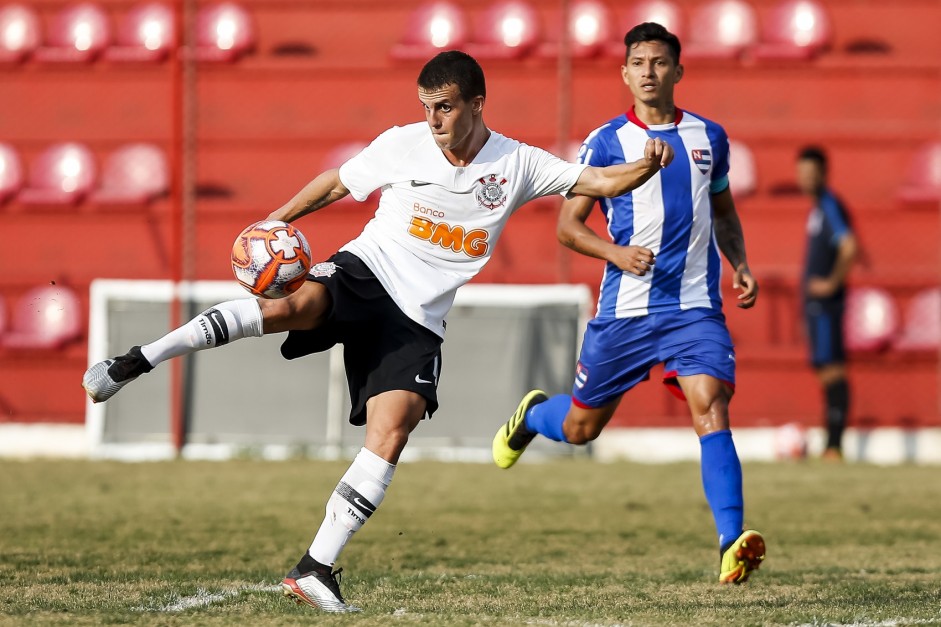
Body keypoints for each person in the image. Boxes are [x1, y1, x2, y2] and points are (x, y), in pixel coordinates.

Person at [82, 50, 674, 613]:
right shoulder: (403, 144)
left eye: (444, 106)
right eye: (426, 106)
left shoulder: (517, 163)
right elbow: (336, 183)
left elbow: (596, 182)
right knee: (289, 306)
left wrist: (645, 167)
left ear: (477, 104)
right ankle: (138, 359)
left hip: (418, 318)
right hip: (367, 271)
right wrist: (275, 221)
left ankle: (314, 568)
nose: (434, 118)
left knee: (394, 430)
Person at [491, 22, 766, 584]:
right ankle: (533, 414)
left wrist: (738, 263)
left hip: (693, 308)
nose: (648, 71)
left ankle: (730, 541)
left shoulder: (710, 137)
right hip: (624, 313)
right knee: (580, 430)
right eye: (638, 62)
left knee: (710, 405)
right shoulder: (605, 143)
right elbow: (569, 229)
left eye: (659, 62)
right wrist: (615, 254)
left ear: (678, 71)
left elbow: (725, 212)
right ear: (624, 72)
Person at [796, 145, 858, 460]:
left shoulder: (831, 205)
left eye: (811, 172)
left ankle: (834, 445)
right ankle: (831, 444)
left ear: (823, 173)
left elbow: (848, 246)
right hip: (815, 307)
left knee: (832, 370)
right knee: (824, 368)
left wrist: (831, 283)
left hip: (825, 306)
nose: (805, 178)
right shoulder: (818, 207)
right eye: (801, 172)